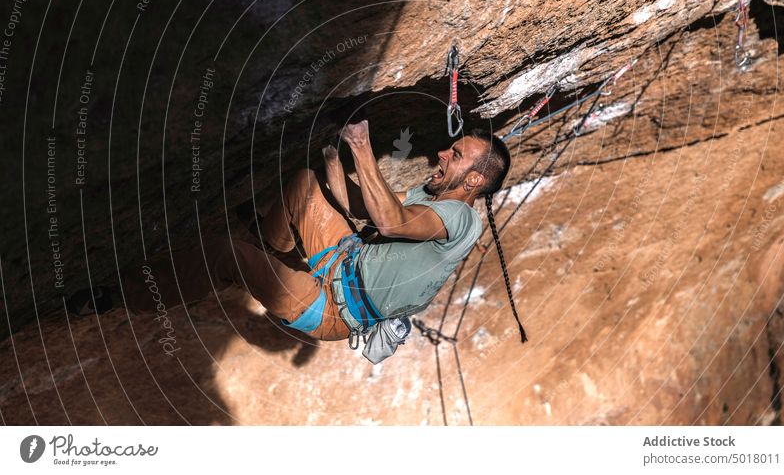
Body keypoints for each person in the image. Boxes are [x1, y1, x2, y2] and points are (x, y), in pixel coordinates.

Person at [68, 120, 520, 350]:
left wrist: (362, 147)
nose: (443, 152)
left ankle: (114, 295)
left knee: (224, 254)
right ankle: (270, 250)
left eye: (456, 154)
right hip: (343, 263)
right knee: (306, 183)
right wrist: (332, 156)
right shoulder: (432, 195)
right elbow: (360, 204)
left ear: (475, 180)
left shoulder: (462, 222)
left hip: (331, 310)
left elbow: (389, 222)